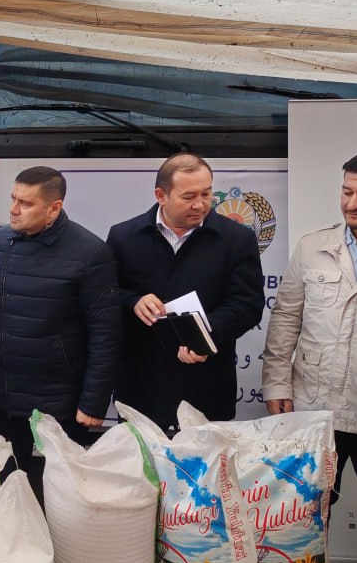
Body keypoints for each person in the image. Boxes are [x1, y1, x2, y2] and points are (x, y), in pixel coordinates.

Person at [262, 149, 357, 563]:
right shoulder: (313, 247)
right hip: (314, 409)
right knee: (301, 522)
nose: (352, 203)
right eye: (346, 192)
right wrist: (276, 383)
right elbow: (285, 318)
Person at [0, 168, 121, 501]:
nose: (13, 209)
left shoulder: (90, 252)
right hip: (5, 392)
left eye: (26, 203)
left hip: (62, 400)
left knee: (62, 491)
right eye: (13, 199)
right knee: (10, 483)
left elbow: (105, 334)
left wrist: (94, 400)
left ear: (54, 208)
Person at [107, 153, 265, 432]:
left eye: (206, 194)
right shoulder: (124, 236)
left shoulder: (236, 239)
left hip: (206, 386)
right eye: (188, 196)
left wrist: (204, 334)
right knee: (141, 461)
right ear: (161, 195)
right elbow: (104, 295)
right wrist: (133, 302)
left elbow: (248, 305)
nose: (200, 204)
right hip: (141, 387)